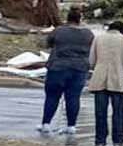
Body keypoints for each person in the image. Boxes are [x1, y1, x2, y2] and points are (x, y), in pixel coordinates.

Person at [38, 7, 94, 135]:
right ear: (80, 20)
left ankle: (46, 124)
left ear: (67, 18)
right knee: (73, 97)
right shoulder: (88, 33)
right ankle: (71, 126)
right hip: (79, 69)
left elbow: (48, 44)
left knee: (52, 96)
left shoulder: (59, 31)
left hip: (57, 67)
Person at [89, 21, 123, 146]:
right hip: (117, 79)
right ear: (122, 30)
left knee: (100, 113)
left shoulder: (98, 38)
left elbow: (91, 61)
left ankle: (99, 143)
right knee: (118, 112)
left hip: (99, 78)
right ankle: (118, 143)